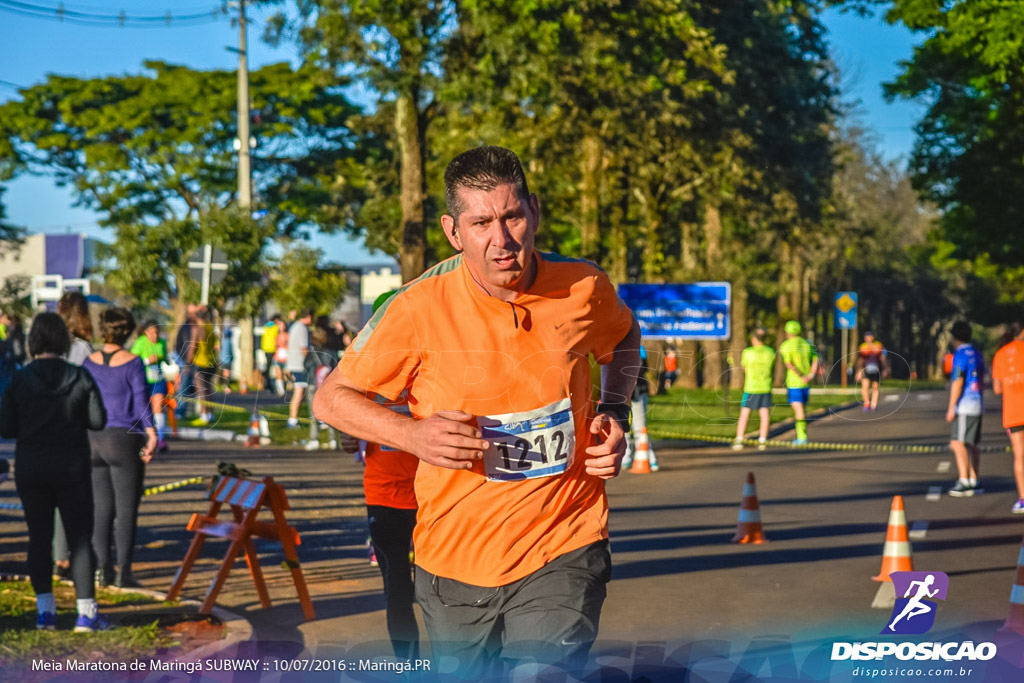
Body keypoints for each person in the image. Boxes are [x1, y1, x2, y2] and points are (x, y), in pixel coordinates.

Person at [313, 145, 640, 676]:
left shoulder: (582, 285)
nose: (502, 238)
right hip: (455, 559)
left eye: (512, 216)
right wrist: (413, 436)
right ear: (453, 230)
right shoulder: (416, 306)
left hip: (565, 537)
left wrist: (615, 410)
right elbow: (330, 399)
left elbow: (624, 336)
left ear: (533, 210)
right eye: (481, 222)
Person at [0, 312, 109, 631]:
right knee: (79, 539)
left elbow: (6, 427)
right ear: (62, 339)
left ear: (33, 340)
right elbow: (97, 420)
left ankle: (45, 612)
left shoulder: (19, 379)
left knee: (38, 537)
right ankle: (85, 613)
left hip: (32, 467)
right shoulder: (79, 376)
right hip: (72, 466)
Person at [84, 308, 158, 588]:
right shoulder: (133, 362)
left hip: (94, 439)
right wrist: (151, 434)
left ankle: (102, 569)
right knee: (126, 510)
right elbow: (141, 402)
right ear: (127, 332)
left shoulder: (88, 363)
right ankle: (123, 572)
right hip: (124, 439)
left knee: (101, 508)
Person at [53, 291, 95, 577]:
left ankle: (58, 555)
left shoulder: (50, 347)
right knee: (77, 496)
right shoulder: (83, 349)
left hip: (49, 427)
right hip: (75, 429)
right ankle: (77, 555)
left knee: (54, 495)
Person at [946, 321, 985, 497]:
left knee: (957, 443)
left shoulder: (960, 355)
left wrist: (951, 407)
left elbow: (958, 381)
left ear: (955, 338)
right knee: (972, 444)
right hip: (977, 402)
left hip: (965, 404)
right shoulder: (977, 353)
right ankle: (974, 479)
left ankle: (964, 480)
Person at [992, 321, 1024, 514]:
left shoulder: (1001, 354)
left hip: (1013, 411)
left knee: (1020, 454)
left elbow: (997, 388)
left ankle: (1023, 498)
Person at [732, 328, 775, 451]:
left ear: (754, 339)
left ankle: (740, 439)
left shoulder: (748, 352)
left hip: (751, 387)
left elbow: (744, 368)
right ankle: (762, 440)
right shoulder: (770, 352)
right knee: (764, 413)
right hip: (765, 386)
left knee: (745, 413)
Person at [130, 320, 170, 453]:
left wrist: (163, 359)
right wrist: (147, 360)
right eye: (152, 333)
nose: (155, 336)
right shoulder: (140, 342)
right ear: (146, 332)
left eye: (157, 333)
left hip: (158, 380)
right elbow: (132, 361)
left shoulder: (162, 343)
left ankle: (161, 440)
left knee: (158, 408)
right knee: (145, 409)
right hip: (143, 380)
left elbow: (166, 358)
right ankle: (143, 438)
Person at [779, 321, 819, 446]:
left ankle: (802, 437)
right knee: (802, 409)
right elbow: (815, 360)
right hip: (806, 383)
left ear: (787, 332)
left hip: (794, 383)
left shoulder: (786, 345)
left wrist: (800, 375)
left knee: (798, 410)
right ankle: (801, 435)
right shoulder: (807, 344)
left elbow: (788, 363)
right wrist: (810, 375)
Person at [302, 326, 340, 450]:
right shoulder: (332, 352)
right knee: (330, 412)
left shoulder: (311, 353)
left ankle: (314, 438)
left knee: (313, 412)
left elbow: (306, 366)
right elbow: (337, 367)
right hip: (328, 385)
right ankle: (333, 439)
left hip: (313, 383)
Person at [621, 345, 659, 471]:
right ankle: (625, 457)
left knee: (640, 427)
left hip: (637, 392)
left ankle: (648, 456)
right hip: (623, 393)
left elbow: (642, 370)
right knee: (623, 425)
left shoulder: (638, 349)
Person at [286, 309, 313, 429]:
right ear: (308, 317)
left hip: (293, 363)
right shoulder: (301, 328)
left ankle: (293, 418)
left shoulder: (295, 326)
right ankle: (292, 419)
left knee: (299, 392)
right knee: (299, 392)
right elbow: (304, 349)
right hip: (299, 365)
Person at [191, 308, 218, 425]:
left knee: (202, 391)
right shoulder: (211, 327)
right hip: (212, 362)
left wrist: (188, 361)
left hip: (201, 363)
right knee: (209, 390)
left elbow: (193, 346)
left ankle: (203, 415)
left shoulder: (198, 329)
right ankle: (210, 414)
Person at [172, 304, 199, 420]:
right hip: (186, 362)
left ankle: (202, 412)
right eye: (191, 312)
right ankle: (180, 411)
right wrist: (185, 361)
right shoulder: (185, 327)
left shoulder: (201, 326)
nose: (193, 315)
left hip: (199, 362)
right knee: (183, 387)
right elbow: (178, 345)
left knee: (201, 388)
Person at [855, 331, 887, 411]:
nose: (868, 338)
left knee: (875, 387)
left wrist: (884, 369)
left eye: (870, 336)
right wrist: (858, 371)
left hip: (877, 369)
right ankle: (866, 403)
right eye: (866, 337)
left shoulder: (879, 345)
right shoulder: (862, 347)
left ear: (873, 337)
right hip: (866, 370)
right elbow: (860, 360)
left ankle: (873, 404)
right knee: (865, 386)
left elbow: (883, 358)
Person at [260, 315, 282, 393]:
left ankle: (268, 384)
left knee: (268, 368)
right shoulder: (275, 328)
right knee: (275, 367)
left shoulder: (266, 327)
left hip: (266, 349)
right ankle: (270, 385)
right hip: (273, 349)